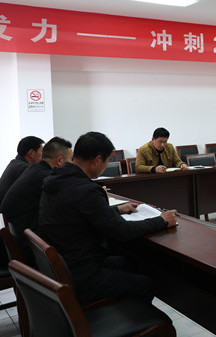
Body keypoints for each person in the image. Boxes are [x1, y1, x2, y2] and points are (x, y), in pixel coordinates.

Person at [39, 131, 178, 306]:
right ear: (98, 160)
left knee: (134, 263)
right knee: (147, 284)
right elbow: (122, 231)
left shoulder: (56, 179)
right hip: (82, 275)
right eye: (106, 161)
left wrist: (116, 210)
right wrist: (162, 220)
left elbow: (81, 213)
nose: (105, 166)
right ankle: (129, 321)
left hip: (67, 264)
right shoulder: (86, 189)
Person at [0, 137, 73, 267]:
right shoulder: (46, 177)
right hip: (26, 248)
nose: (72, 164)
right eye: (70, 160)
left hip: (13, 242)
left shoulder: (34, 170)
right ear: (60, 161)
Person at [0, 135, 44, 259]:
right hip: (5, 241)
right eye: (41, 153)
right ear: (31, 153)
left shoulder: (14, 165)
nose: (43, 157)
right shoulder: (24, 170)